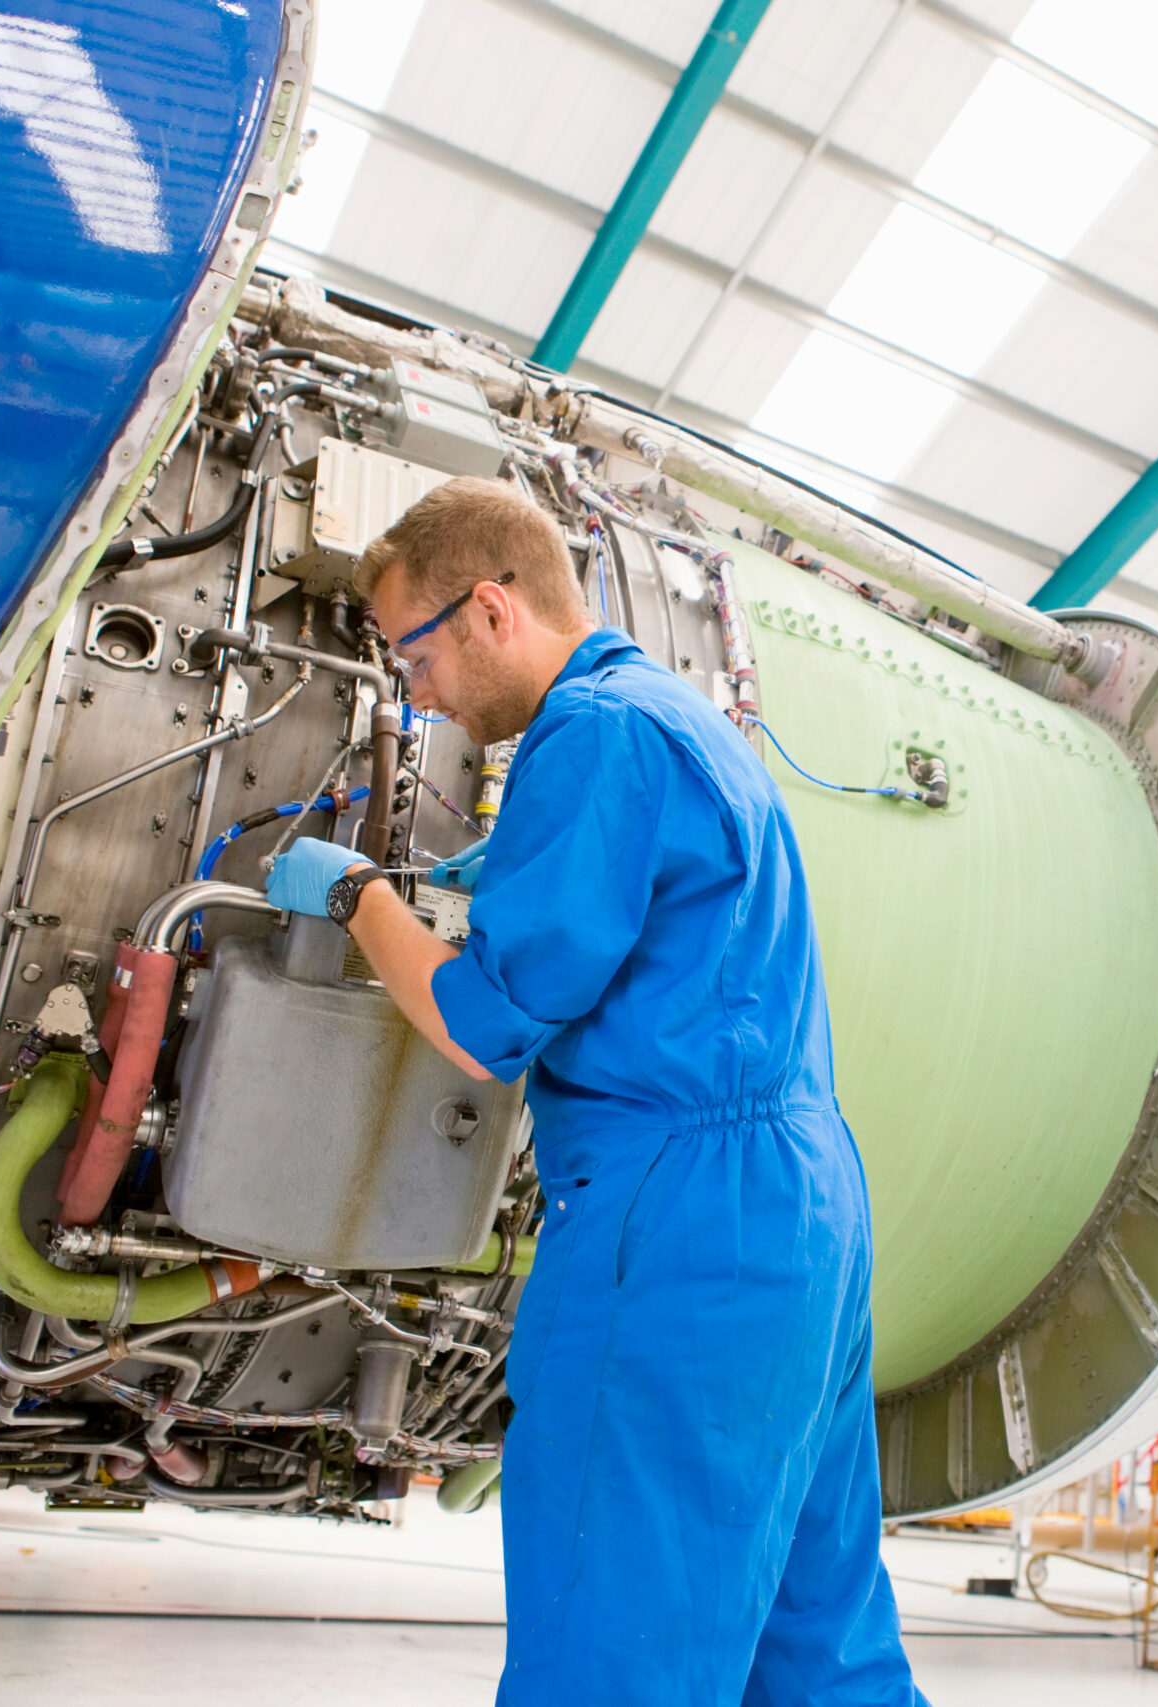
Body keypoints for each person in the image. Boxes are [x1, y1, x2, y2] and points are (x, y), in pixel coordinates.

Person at [262, 479, 922, 1707]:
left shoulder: (594, 735)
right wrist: (505, 868)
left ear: (492, 610)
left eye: (414, 651)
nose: (416, 691)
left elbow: (483, 1026)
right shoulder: (676, 716)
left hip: (679, 1230)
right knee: (815, 1646)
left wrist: (359, 894)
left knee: (615, 1644)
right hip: (802, 1219)